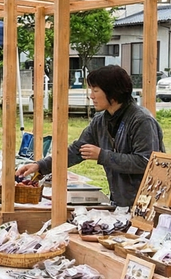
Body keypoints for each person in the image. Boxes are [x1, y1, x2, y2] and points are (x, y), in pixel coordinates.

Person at [17, 65, 165, 207]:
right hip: (120, 202)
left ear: (113, 92)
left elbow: (147, 162)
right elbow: (76, 150)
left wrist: (102, 155)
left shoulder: (141, 121)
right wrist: (41, 165)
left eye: (95, 90)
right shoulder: (100, 121)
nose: (91, 96)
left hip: (148, 204)